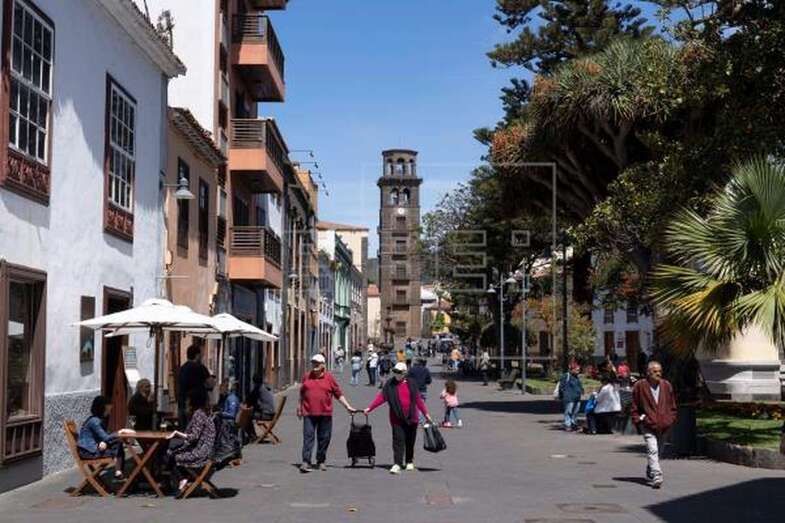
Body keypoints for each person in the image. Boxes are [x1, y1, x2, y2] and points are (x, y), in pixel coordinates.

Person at [364, 362, 433, 474]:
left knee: (410, 441)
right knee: (398, 440)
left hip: (412, 417)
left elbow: (418, 400)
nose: (396, 374)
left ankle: (409, 461)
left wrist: (426, 414)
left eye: (399, 372)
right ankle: (397, 463)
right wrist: (369, 408)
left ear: (405, 373)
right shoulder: (390, 384)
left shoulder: (412, 383)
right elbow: (382, 397)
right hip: (396, 418)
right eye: (395, 371)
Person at [298, 354, 356, 473]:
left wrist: (347, 406)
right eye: (313, 362)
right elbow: (302, 393)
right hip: (308, 413)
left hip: (325, 413)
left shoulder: (329, 378)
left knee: (324, 438)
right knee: (308, 437)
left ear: (323, 365)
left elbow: (338, 394)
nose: (315, 365)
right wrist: (299, 407)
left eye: (317, 363)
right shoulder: (306, 377)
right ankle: (306, 461)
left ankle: (321, 460)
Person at [631, 361, 677, 489]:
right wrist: (639, 420)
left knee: (658, 452)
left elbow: (672, 405)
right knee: (653, 449)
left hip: (664, 425)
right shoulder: (640, 386)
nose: (658, 374)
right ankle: (657, 475)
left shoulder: (666, 385)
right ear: (648, 372)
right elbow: (634, 406)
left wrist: (670, 419)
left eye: (660, 371)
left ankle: (650, 469)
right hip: (648, 424)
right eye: (655, 371)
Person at [166, 387, 216, 496]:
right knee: (172, 450)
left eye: (188, 399)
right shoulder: (204, 413)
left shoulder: (198, 414)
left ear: (193, 401)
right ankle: (183, 479)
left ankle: (182, 480)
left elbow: (194, 436)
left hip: (201, 453)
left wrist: (177, 433)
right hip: (206, 449)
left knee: (171, 455)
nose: (186, 401)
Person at [78, 396, 127, 480]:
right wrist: (119, 432)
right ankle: (118, 472)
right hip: (88, 452)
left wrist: (104, 442)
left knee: (118, 444)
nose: (109, 412)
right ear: (102, 408)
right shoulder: (95, 421)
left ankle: (118, 472)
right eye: (108, 410)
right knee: (118, 447)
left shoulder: (96, 419)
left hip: (91, 449)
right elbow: (106, 437)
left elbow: (104, 436)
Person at [177, 343, 214, 429]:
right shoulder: (200, 367)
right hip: (198, 403)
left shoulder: (182, 368)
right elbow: (210, 383)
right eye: (201, 354)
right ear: (197, 355)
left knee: (186, 429)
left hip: (184, 403)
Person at [558, 364, 584, 431]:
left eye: (579, 370)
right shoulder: (566, 376)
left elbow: (579, 386)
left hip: (577, 398)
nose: (578, 371)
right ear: (572, 370)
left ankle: (573, 423)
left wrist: (581, 390)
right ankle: (568, 425)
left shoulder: (577, 377)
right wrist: (563, 394)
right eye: (577, 369)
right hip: (569, 398)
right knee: (568, 411)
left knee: (575, 412)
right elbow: (561, 386)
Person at [408, 358, 432, 423]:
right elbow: (429, 381)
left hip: (413, 389)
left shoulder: (412, 370)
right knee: (421, 405)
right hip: (423, 390)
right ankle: (418, 418)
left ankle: (415, 417)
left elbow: (407, 379)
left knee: (414, 404)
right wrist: (424, 381)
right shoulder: (426, 370)